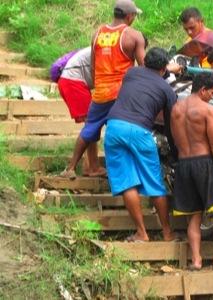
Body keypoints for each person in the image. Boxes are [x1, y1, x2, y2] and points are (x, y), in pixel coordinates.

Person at [61, 0, 145, 179]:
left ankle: (70, 168)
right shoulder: (133, 36)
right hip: (122, 94)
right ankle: (128, 173)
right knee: (127, 130)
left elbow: (93, 66)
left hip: (100, 93)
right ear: (129, 16)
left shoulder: (97, 33)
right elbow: (145, 67)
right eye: (134, 16)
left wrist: (98, 87)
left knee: (89, 129)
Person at [104, 47, 177, 242]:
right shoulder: (166, 89)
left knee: (127, 182)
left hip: (114, 127)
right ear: (163, 68)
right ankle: (167, 233)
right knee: (155, 184)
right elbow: (171, 125)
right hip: (140, 131)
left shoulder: (131, 73)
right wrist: (175, 151)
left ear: (145, 62)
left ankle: (141, 233)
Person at [170, 73, 213, 271]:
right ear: (202, 90)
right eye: (212, 93)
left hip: (184, 164)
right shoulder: (207, 110)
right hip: (205, 164)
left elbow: (175, 141)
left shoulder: (175, 109)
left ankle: (196, 260)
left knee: (194, 214)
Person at [58, 47, 103, 176]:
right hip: (74, 82)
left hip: (72, 81)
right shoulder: (109, 49)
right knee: (92, 124)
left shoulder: (106, 44)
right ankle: (91, 167)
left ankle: (89, 166)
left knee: (92, 124)